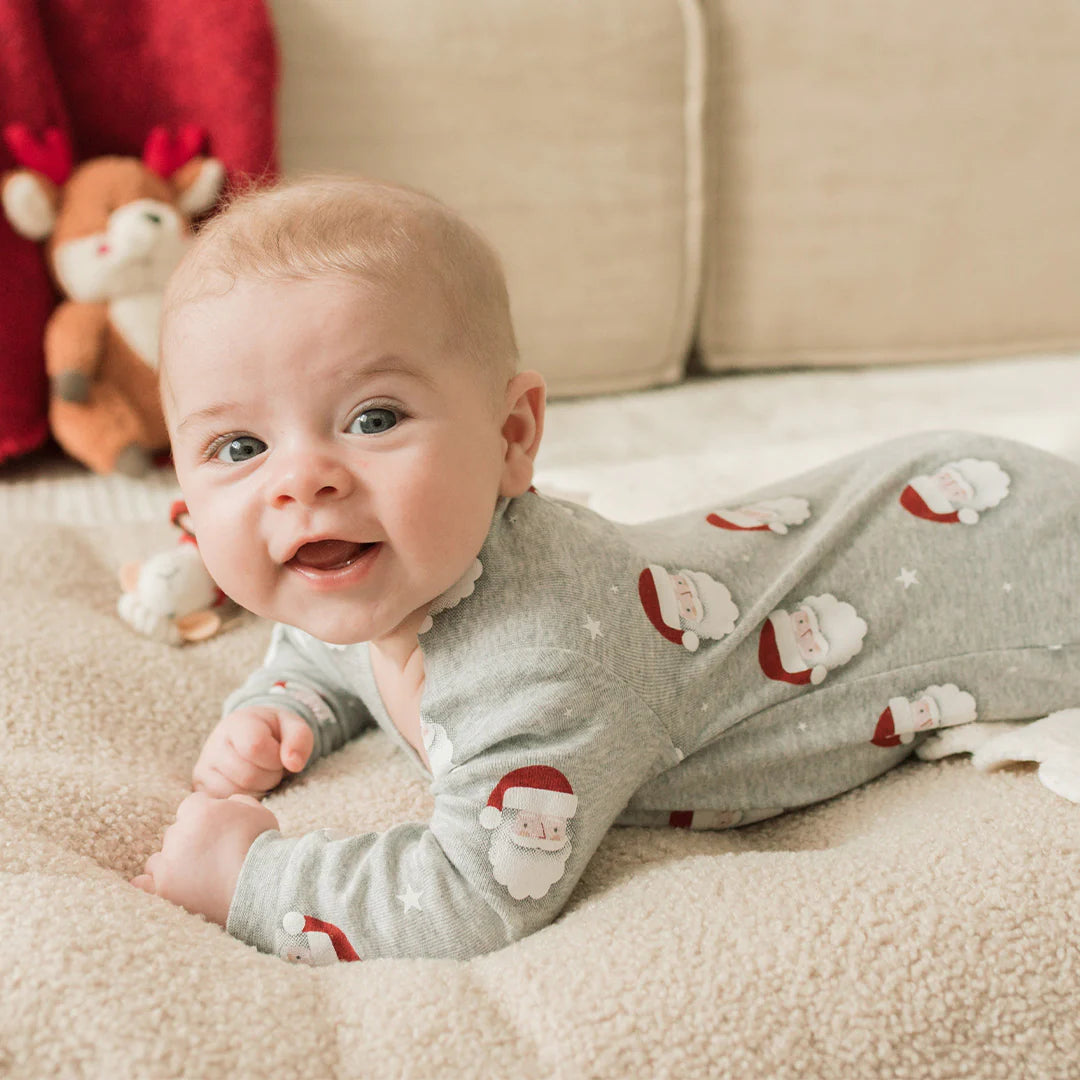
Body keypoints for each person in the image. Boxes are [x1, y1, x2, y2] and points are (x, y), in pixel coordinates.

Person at [132, 176, 1080, 965]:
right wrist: (286, 705)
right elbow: (324, 642)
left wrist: (252, 879)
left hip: (1013, 559)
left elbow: (475, 898)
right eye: (239, 446)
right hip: (924, 498)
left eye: (373, 419)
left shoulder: (542, 662)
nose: (302, 481)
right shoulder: (376, 567)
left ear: (512, 438)